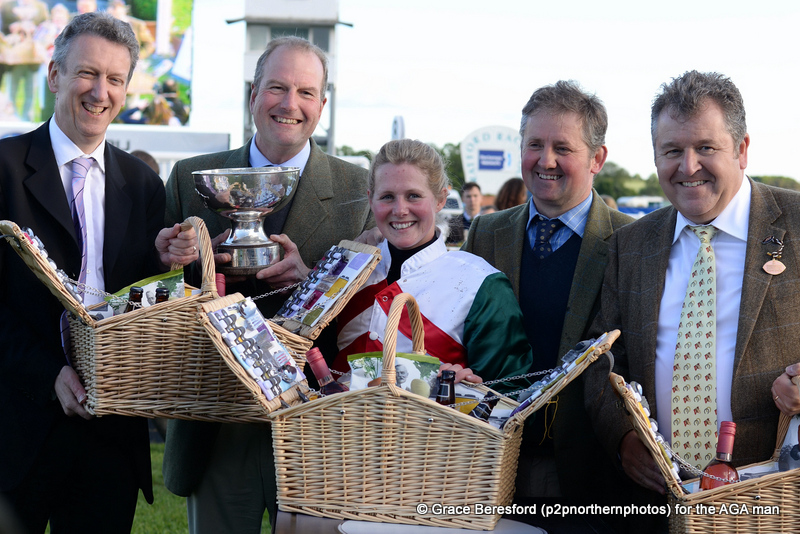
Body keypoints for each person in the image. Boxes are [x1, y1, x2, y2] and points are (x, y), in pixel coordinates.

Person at [161, 36, 373, 534]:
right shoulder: (190, 176)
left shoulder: (357, 188)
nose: (289, 104)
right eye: (277, 87)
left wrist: (313, 282)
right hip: (216, 418)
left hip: (312, 422)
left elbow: (370, 309)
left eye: (305, 92)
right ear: (254, 94)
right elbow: (159, 300)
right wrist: (179, 262)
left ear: (322, 104)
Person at [0, 12, 197, 533]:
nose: (100, 91)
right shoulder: (3, 169)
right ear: (54, 76)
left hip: (110, 439)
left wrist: (164, 263)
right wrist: (49, 376)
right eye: (87, 73)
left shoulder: (144, 185)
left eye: (114, 79)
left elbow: (142, 305)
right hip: (15, 429)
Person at [584, 70, 800, 516]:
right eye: (672, 151)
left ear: (741, 150)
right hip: (658, 504)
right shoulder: (632, 244)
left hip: (777, 503)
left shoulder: (797, 222)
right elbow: (599, 359)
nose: (688, 166)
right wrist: (623, 437)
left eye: (706, 147)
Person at [462, 80, 633, 505]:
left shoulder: (633, 242)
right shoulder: (486, 232)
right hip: (488, 462)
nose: (546, 160)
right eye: (534, 144)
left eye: (563, 148)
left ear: (597, 159)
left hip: (591, 477)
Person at [335, 139, 532, 392]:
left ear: (441, 199)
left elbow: (512, 391)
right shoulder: (349, 268)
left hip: (432, 432)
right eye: (387, 197)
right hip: (335, 429)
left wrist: (467, 387)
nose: (400, 209)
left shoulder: (482, 283)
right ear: (371, 200)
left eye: (413, 196)